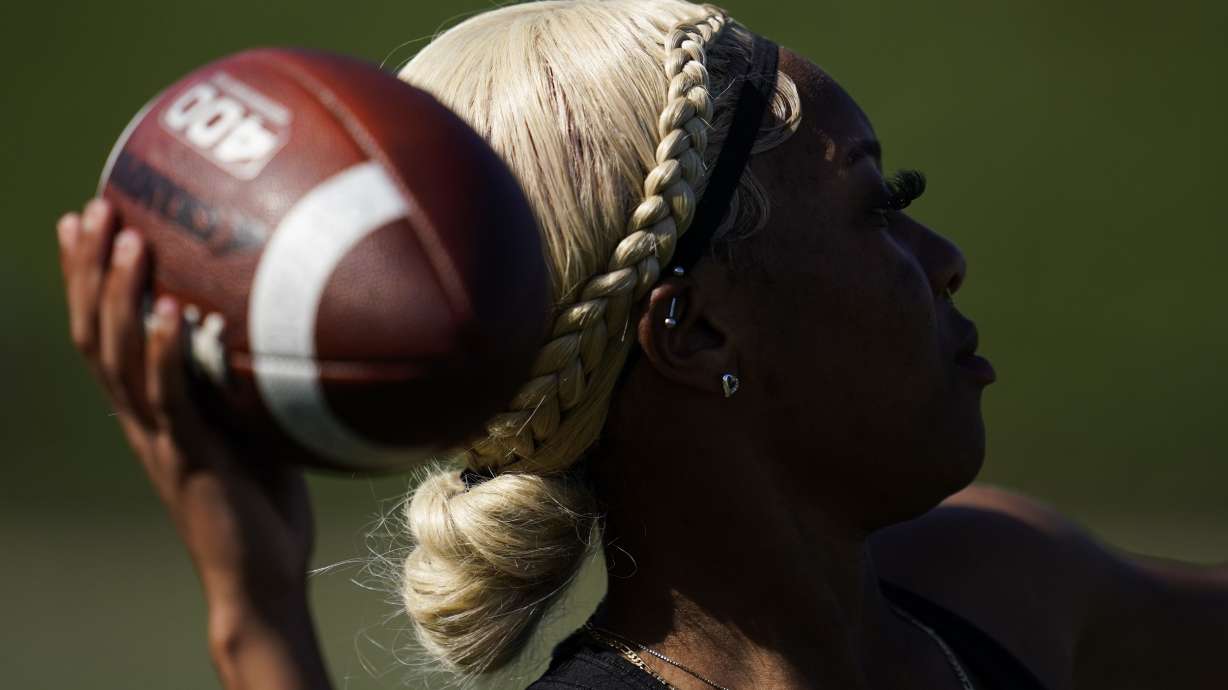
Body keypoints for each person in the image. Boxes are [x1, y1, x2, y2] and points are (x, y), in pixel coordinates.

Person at [56, 1, 1227, 688]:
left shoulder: (998, 584)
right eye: (879, 203)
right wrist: (255, 621)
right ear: (694, 323)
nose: (944, 254)